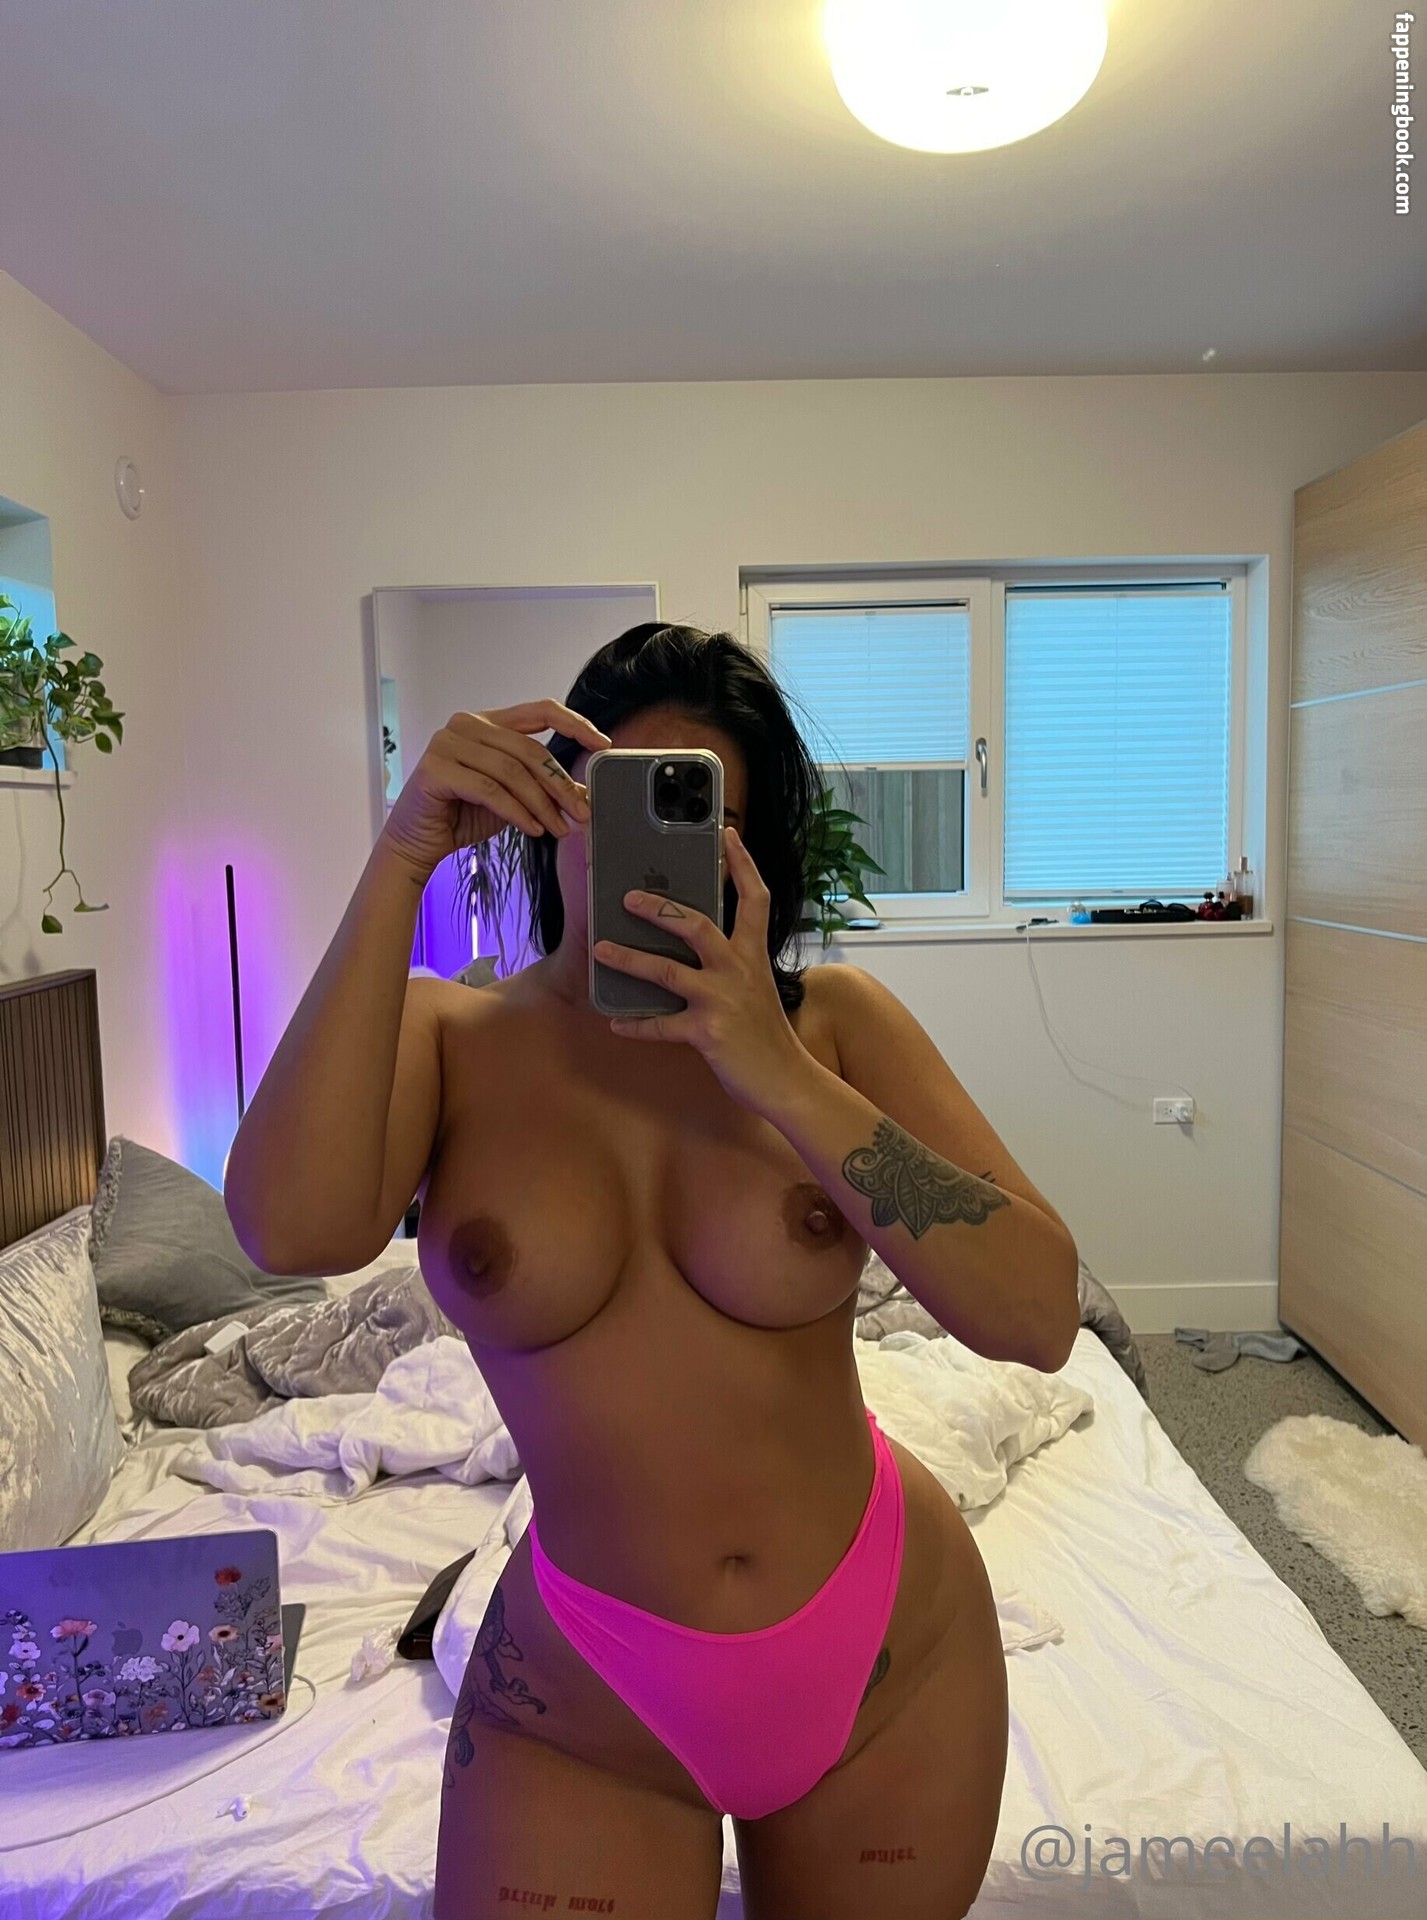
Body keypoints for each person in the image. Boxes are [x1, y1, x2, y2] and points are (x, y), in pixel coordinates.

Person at [225, 623, 1081, 1920]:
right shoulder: (453, 1037)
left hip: (887, 1651)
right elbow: (287, 1233)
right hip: (586, 1698)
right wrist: (402, 856)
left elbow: (1038, 1312)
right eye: (611, 801)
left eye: (703, 813)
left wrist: (778, 1074)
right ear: (546, 813)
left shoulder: (835, 1030)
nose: (650, 845)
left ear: (754, 847)